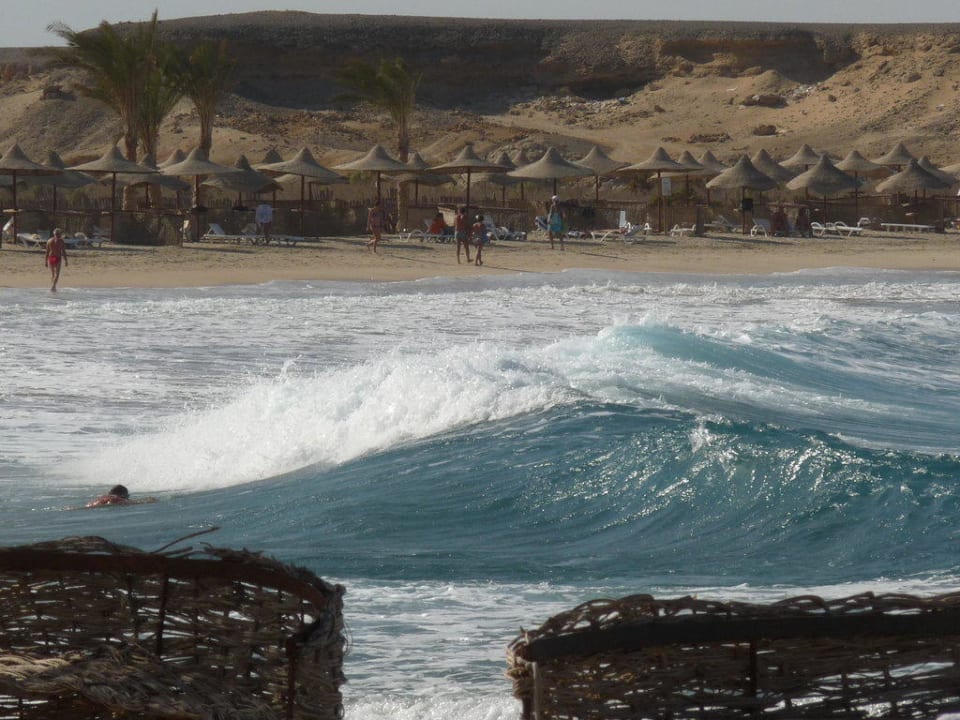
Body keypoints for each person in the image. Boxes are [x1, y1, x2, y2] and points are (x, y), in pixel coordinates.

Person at [85, 484, 157, 508]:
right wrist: (147, 501)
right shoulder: (115, 498)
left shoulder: (100, 498)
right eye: (127, 496)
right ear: (122, 495)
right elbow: (130, 503)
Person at [45, 228, 68, 292]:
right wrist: (66, 260)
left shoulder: (49, 241)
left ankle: (53, 287)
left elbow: (47, 252)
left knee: (53, 274)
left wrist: (46, 262)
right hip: (57, 258)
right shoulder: (61, 241)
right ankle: (53, 287)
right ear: (59, 234)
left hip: (51, 257)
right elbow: (63, 252)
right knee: (57, 274)